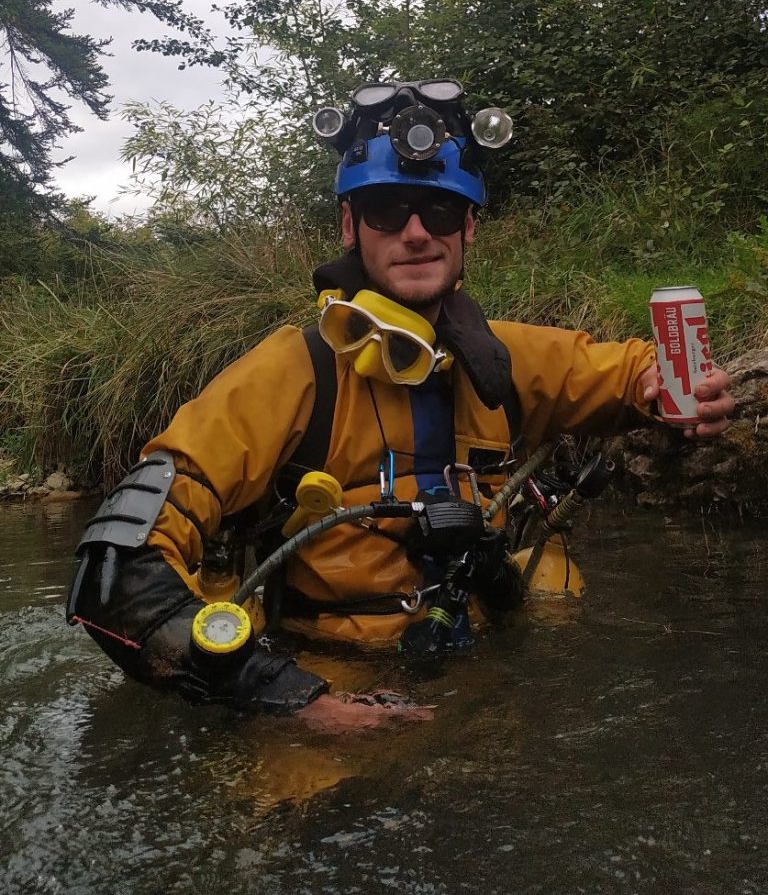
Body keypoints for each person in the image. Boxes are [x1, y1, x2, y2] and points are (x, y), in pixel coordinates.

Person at [66, 79, 734, 731]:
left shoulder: (504, 355)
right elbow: (114, 572)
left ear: (468, 227)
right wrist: (298, 702)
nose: (416, 232)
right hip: (327, 683)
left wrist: (671, 387)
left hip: (492, 670)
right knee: (290, 826)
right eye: (388, 210)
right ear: (351, 225)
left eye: (439, 211)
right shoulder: (290, 371)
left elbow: (631, 368)